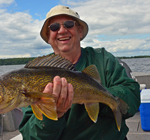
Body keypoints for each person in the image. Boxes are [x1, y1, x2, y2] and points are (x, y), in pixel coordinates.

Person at [19, 5, 140, 140]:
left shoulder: (103, 59)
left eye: (69, 24)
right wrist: (53, 114)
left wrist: (95, 95)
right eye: (54, 27)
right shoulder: (31, 74)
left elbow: (131, 97)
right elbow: (31, 136)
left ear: (80, 31)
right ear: (48, 37)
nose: (62, 30)